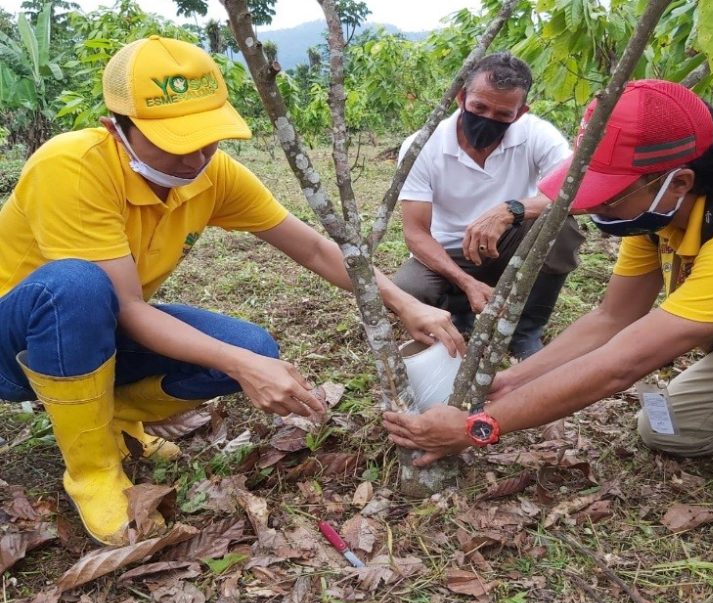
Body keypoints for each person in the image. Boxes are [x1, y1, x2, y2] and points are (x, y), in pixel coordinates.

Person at [0, 36, 464, 546]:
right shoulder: (72, 166)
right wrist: (244, 370)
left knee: (254, 348)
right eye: (176, 142)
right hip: (17, 339)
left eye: (208, 138)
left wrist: (404, 302)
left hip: (100, 323)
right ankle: (92, 472)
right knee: (76, 286)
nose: (196, 157)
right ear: (117, 129)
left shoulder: (209, 174)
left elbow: (310, 247)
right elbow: (127, 307)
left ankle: (106, 418)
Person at [384, 79, 713, 535]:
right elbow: (612, 318)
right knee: (668, 427)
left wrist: (478, 428)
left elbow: (624, 363)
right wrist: (510, 383)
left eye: (611, 194)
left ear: (678, 182)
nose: (595, 205)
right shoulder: (660, 215)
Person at [392, 52, 584, 359]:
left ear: (520, 113)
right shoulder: (423, 145)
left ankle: (525, 332)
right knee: (409, 288)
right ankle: (459, 314)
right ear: (461, 97)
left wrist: (512, 209)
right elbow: (415, 233)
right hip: (449, 251)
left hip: (509, 243)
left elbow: (576, 193)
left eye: (503, 114)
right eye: (479, 107)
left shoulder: (536, 134)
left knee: (560, 227)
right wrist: (466, 281)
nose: (488, 120)